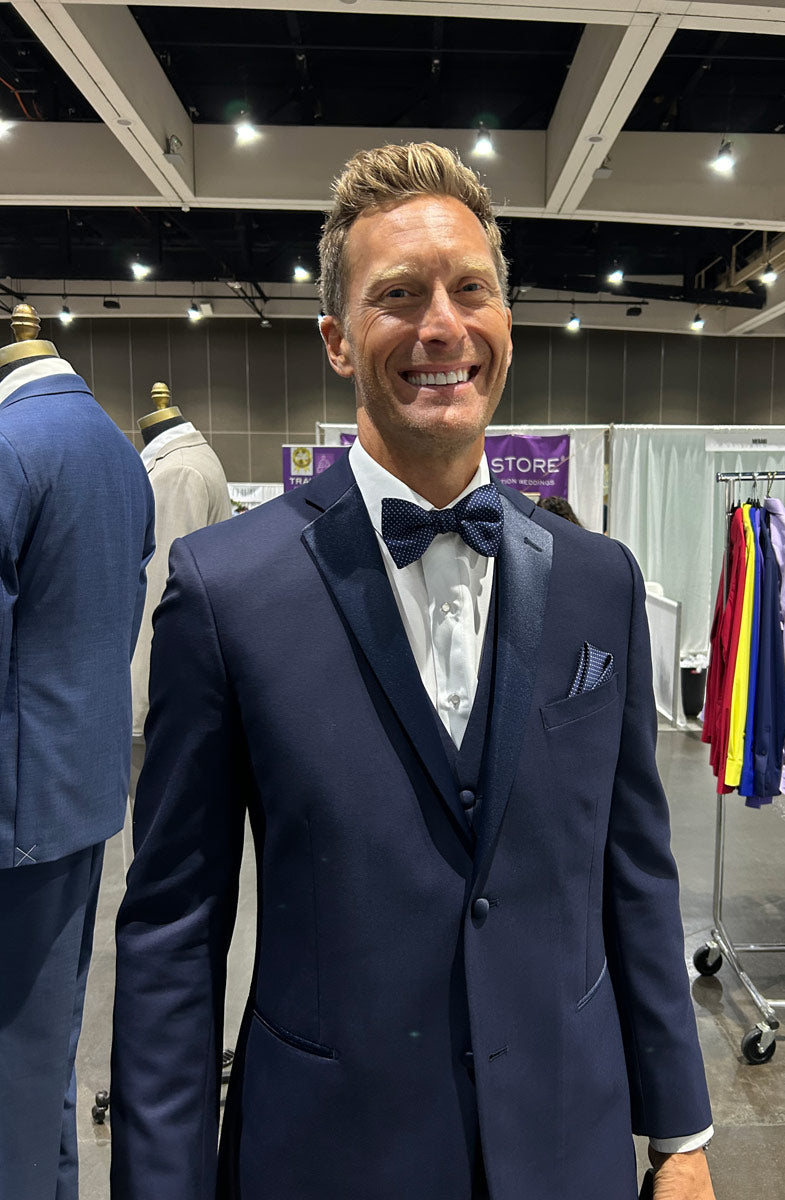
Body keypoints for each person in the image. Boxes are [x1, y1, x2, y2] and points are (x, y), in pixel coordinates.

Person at [111, 142, 714, 1200]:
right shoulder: (225, 592)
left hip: (567, 1143)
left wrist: (682, 1137)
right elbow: (173, 928)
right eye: (398, 295)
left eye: (469, 290)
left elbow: (637, 877)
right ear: (338, 340)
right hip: (328, 1154)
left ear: (507, 330)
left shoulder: (598, 579)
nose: (441, 325)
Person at [0, 306, 154, 1200]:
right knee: (41, 1051)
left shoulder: (13, 448)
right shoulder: (112, 450)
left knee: (14, 1069)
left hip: (12, 807)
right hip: (81, 792)